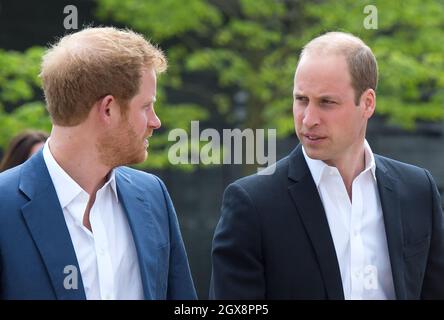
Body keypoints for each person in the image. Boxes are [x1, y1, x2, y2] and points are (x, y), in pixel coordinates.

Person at [210, 31, 444, 300]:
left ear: (367, 103)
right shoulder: (252, 204)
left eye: (327, 102)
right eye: (301, 99)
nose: (309, 119)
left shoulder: (417, 190)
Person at [0, 27, 197, 300]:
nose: (155, 121)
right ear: (108, 109)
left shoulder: (153, 196)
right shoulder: (4, 207)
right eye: (146, 106)